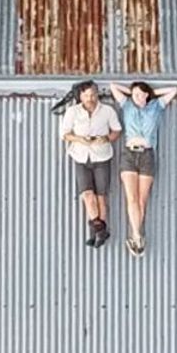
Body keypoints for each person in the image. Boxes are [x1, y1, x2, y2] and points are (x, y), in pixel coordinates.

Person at [113, 80, 177, 256]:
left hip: (147, 154)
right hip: (129, 153)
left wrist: (151, 92)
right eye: (135, 94)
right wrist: (131, 91)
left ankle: (136, 238)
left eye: (141, 94)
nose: (138, 97)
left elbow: (173, 89)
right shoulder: (127, 105)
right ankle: (137, 235)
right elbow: (113, 86)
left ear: (146, 95)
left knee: (142, 200)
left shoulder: (156, 107)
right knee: (132, 198)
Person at [55, 80, 122, 247]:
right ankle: (100, 230)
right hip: (80, 156)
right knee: (87, 195)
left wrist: (106, 138)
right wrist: (80, 139)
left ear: (97, 94)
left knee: (101, 196)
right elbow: (65, 134)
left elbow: (117, 130)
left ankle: (96, 233)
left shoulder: (107, 111)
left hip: (101, 156)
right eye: (86, 95)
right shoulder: (72, 112)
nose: (90, 98)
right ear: (81, 96)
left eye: (92, 94)